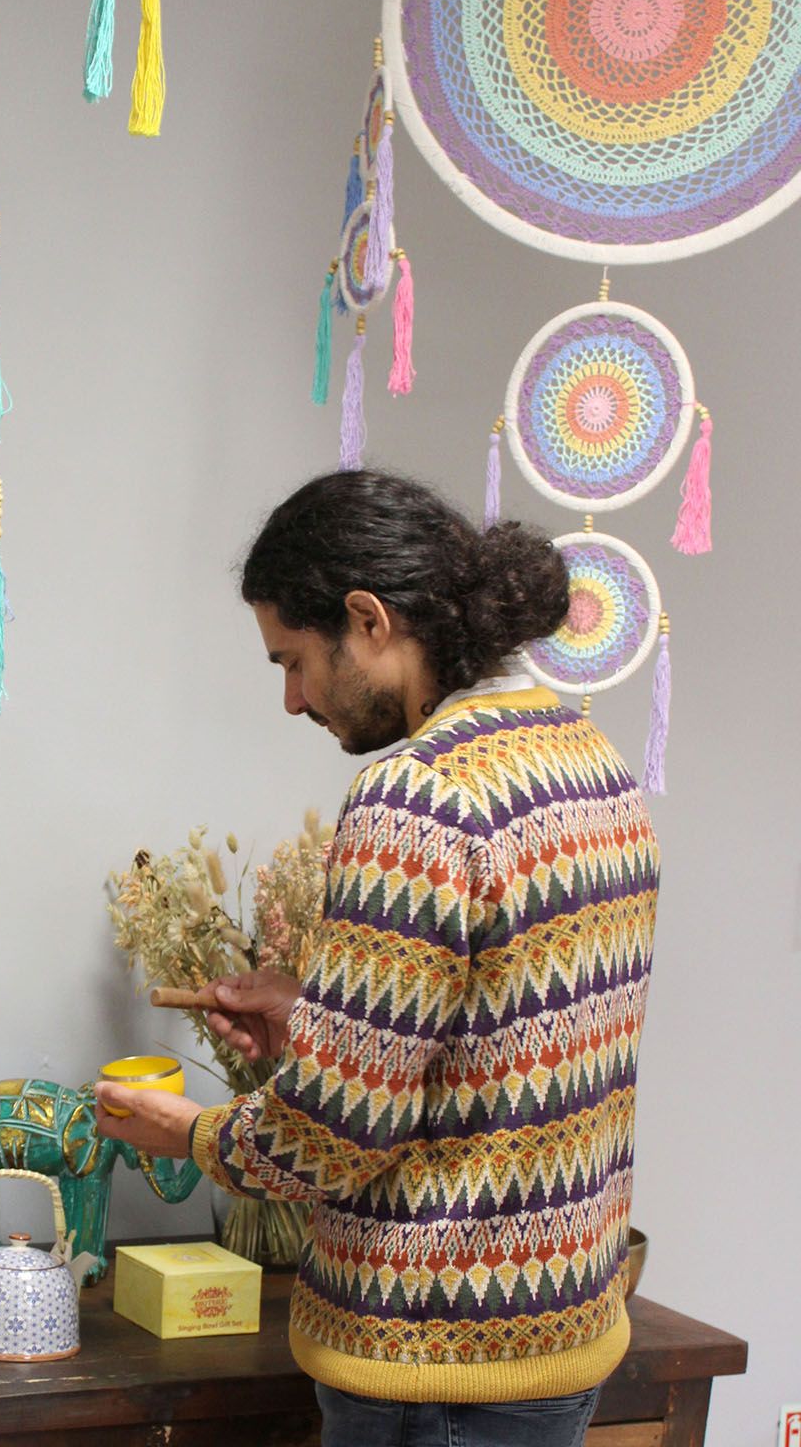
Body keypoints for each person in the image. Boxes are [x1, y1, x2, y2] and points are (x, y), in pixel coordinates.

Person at [97, 470, 658, 1447]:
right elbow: (507, 1036)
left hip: (430, 1363)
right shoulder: (589, 762)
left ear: (365, 618)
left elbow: (334, 1129)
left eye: (293, 659)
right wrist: (322, 1012)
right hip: (557, 1332)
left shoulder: (416, 797)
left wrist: (190, 1132)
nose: (290, 698)